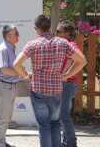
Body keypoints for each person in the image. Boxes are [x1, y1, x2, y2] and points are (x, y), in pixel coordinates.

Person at [13, 15, 86, 147]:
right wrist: (67, 75)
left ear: (36, 29)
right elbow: (82, 61)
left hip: (38, 90)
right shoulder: (63, 43)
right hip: (56, 90)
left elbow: (16, 64)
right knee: (54, 123)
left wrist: (26, 75)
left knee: (44, 126)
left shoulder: (32, 44)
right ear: (51, 27)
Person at [0, 25, 22, 147]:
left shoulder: (10, 48)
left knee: (6, 116)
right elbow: (4, 69)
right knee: (3, 117)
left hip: (9, 86)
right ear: (9, 36)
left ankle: (2, 142)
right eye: (16, 33)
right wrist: (20, 72)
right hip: (4, 86)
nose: (18, 35)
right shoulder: (3, 49)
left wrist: (20, 72)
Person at [55, 20, 82, 147]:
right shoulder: (64, 44)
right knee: (64, 115)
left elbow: (82, 60)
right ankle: (66, 142)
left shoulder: (71, 45)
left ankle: (71, 143)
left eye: (58, 31)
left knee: (64, 116)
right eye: (55, 30)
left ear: (67, 34)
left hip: (67, 85)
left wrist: (67, 75)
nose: (55, 33)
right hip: (67, 84)